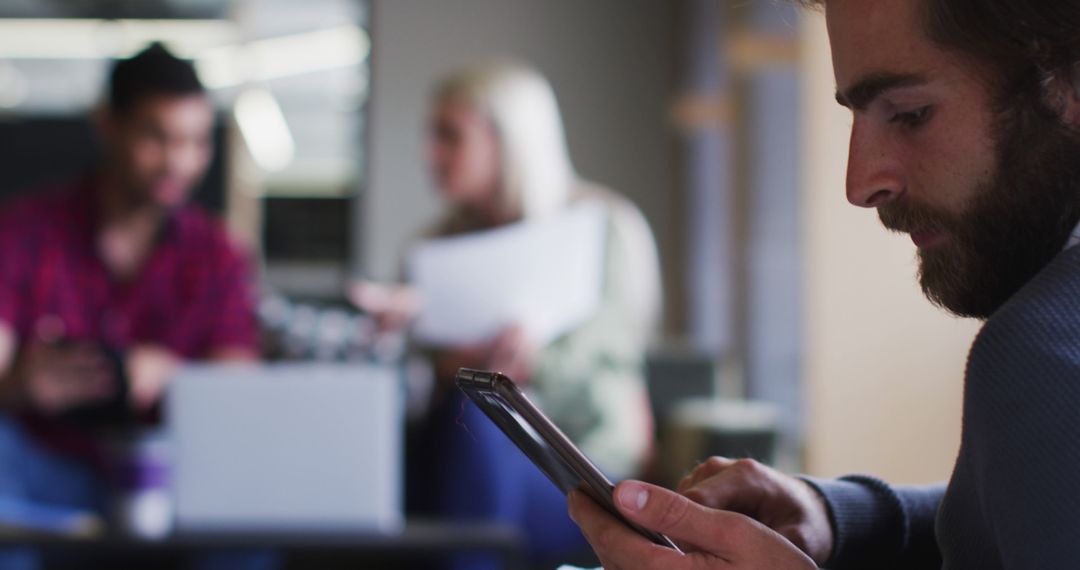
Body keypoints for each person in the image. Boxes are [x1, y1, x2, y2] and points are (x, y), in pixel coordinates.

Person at [568, 0, 1080, 568]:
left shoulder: (1041, 350)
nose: (859, 184)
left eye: (910, 113)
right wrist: (837, 516)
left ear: (1066, 83)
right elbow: (1006, 529)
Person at [356, 62, 662, 567]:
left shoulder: (602, 229)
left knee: (482, 416)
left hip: (581, 471)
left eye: (449, 136)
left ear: (509, 141)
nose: (430, 154)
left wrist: (529, 364)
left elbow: (610, 373)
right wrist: (408, 345)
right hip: (452, 460)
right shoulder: (431, 249)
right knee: (460, 427)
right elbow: (411, 404)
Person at [0, 43, 262, 568]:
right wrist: (18, 386)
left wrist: (172, 376)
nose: (179, 161)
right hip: (48, 473)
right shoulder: (25, 232)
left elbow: (242, 393)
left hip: (175, 482)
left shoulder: (218, 254)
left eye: (195, 142)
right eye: (156, 137)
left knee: (253, 499)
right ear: (108, 126)